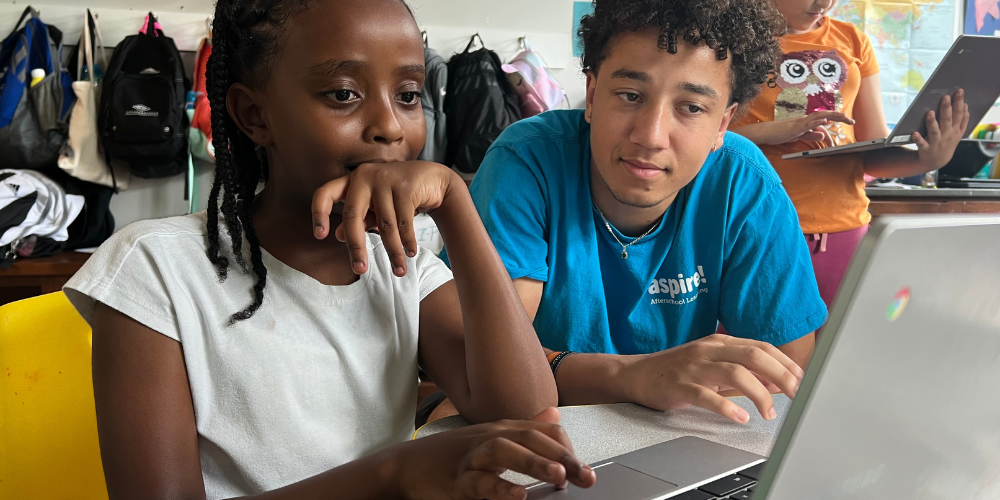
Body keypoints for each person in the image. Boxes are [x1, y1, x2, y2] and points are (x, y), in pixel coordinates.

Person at [62, 0, 596, 498]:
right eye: (344, 94)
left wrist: (456, 204)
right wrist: (394, 475)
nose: (390, 126)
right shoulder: (156, 271)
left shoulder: (401, 263)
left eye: (409, 96)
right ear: (254, 116)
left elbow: (528, 409)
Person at [442, 0, 824, 425]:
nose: (651, 136)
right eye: (630, 95)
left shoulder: (744, 182)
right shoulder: (527, 162)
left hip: (674, 439)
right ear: (591, 95)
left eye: (692, 107)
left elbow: (781, 381)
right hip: (538, 430)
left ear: (722, 124)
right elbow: (493, 373)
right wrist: (635, 377)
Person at [730, 0, 969, 309]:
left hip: (846, 228)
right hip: (758, 228)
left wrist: (927, 159)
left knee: (836, 349)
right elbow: (701, 138)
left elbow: (872, 149)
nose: (824, 3)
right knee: (760, 353)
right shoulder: (732, 41)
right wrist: (772, 132)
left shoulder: (854, 40)